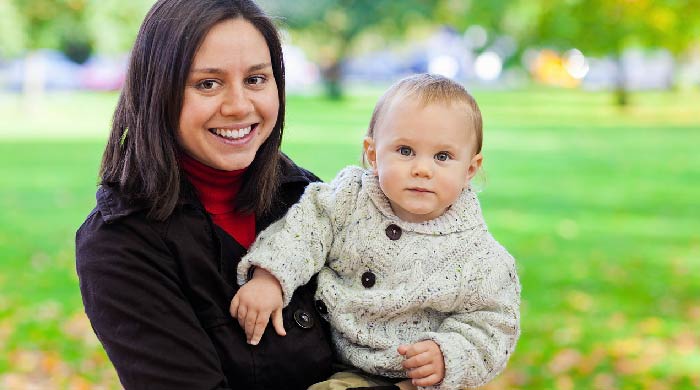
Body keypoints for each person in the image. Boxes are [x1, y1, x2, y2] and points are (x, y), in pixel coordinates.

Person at [75, 0, 334, 388]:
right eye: (207, 84)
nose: (239, 106)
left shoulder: (308, 197)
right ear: (157, 92)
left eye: (256, 79)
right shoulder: (120, 244)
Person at [231, 74, 521, 390]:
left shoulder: (481, 258)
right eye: (405, 151)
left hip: (418, 379)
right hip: (339, 359)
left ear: (469, 169)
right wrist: (270, 277)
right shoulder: (347, 199)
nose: (422, 169)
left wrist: (448, 354)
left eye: (442, 157)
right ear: (373, 154)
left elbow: (494, 326)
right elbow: (304, 229)